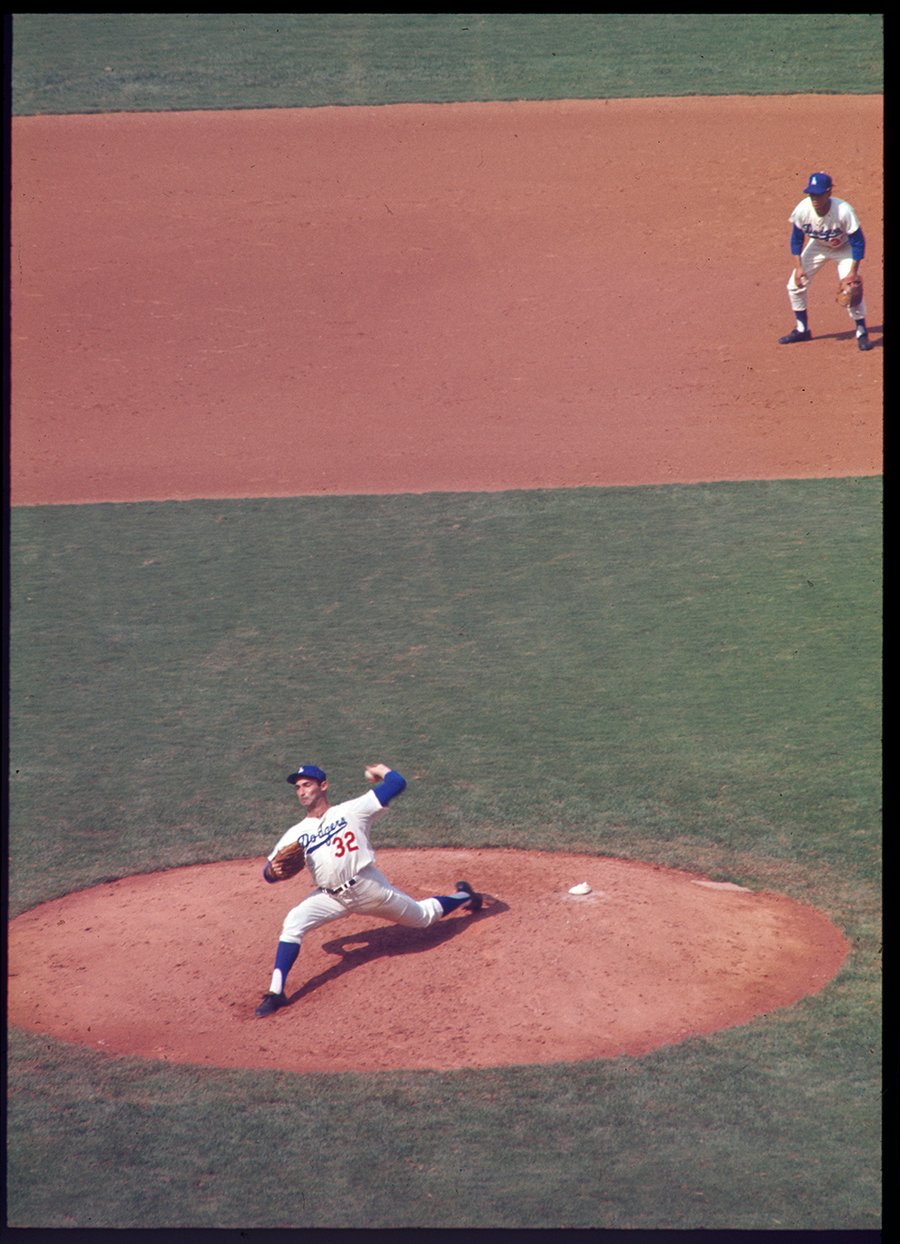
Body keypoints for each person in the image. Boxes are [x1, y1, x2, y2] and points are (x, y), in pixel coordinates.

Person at [255, 761, 482, 1017]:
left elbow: (397, 784)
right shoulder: (295, 833)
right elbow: (268, 873)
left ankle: (465, 896)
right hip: (330, 896)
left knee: (422, 918)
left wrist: (381, 770)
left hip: (368, 888)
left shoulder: (352, 811)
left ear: (324, 786)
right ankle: (276, 992)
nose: (302, 791)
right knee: (294, 922)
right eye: (297, 788)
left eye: (307, 785)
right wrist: (273, 872)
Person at [778, 171, 873, 351]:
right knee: (794, 285)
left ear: (829, 193)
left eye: (819, 194)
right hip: (818, 246)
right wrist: (798, 268)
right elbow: (796, 240)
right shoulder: (802, 210)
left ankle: (861, 331)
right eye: (811, 194)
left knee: (851, 288)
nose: (814, 198)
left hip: (845, 248)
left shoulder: (843, 211)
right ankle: (802, 329)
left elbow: (858, 242)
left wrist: (853, 272)